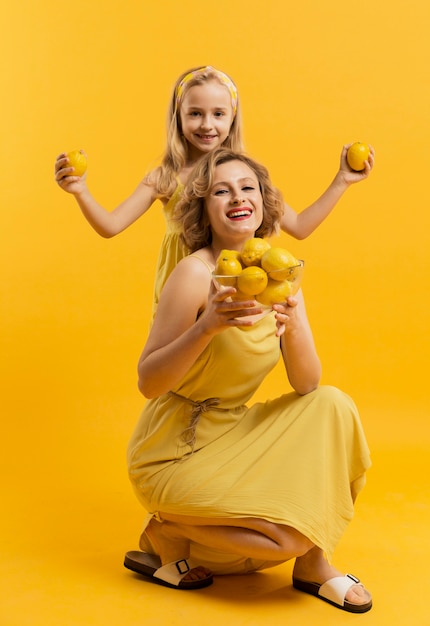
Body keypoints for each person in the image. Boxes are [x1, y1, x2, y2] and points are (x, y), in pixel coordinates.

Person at [124, 147, 373, 614]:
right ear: (204, 208)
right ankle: (169, 528)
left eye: (247, 188)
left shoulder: (281, 274)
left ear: (263, 202)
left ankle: (314, 562)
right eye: (221, 190)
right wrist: (207, 326)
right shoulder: (195, 275)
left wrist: (294, 322)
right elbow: (148, 382)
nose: (237, 197)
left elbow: (307, 384)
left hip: (233, 432)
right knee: (282, 540)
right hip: (174, 449)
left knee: (333, 405)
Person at [54, 65, 375, 316]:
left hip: (240, 286)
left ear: (232, 118)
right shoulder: (166, 176)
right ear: (178, 118)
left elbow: (301, 227)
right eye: (195, 113)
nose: (207, 124)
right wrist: (80, 190)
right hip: (185, 291)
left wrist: (342, 180)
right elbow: (110, 226)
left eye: (218, 114)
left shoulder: (245, 176)